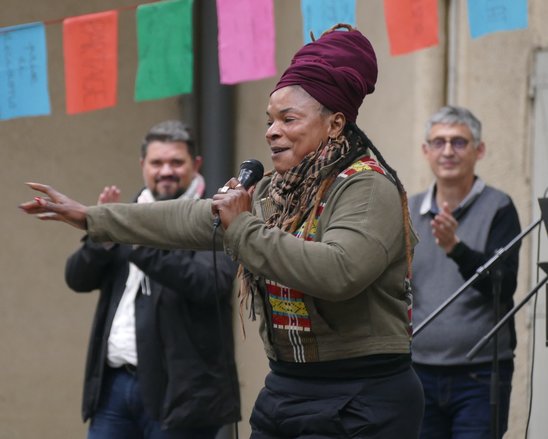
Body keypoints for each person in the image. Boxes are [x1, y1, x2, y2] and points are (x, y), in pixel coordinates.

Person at [20, 25, 424, 438]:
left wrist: (242, 226)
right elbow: (185, 218)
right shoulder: (273, 190)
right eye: (269, 120)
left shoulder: (367, 186)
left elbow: (339, 272)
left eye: (288, 119)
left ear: (336, 123)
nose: (271, 131)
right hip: (287, 387)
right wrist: (92, 217)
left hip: (361, 396)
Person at [62, 120, 240, 438]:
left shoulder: (217, 215)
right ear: (143, 165)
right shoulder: (127, 214)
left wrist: (141, 246)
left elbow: (209, 284)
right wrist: (101, 239)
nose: (166, 171)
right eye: (157, 163)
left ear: (195, 164)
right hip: (115, 388)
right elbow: (76, 278)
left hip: (184, 392)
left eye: (176, 162)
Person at [408, 106, 521, 438]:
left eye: (458, 142)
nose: (447, 151)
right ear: (425, 151)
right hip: (417, 372)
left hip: (480, 375)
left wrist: (456, 248)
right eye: (439, 142)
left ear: (479, 150)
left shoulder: (499, 207)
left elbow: (504, 286)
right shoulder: (409, 209)